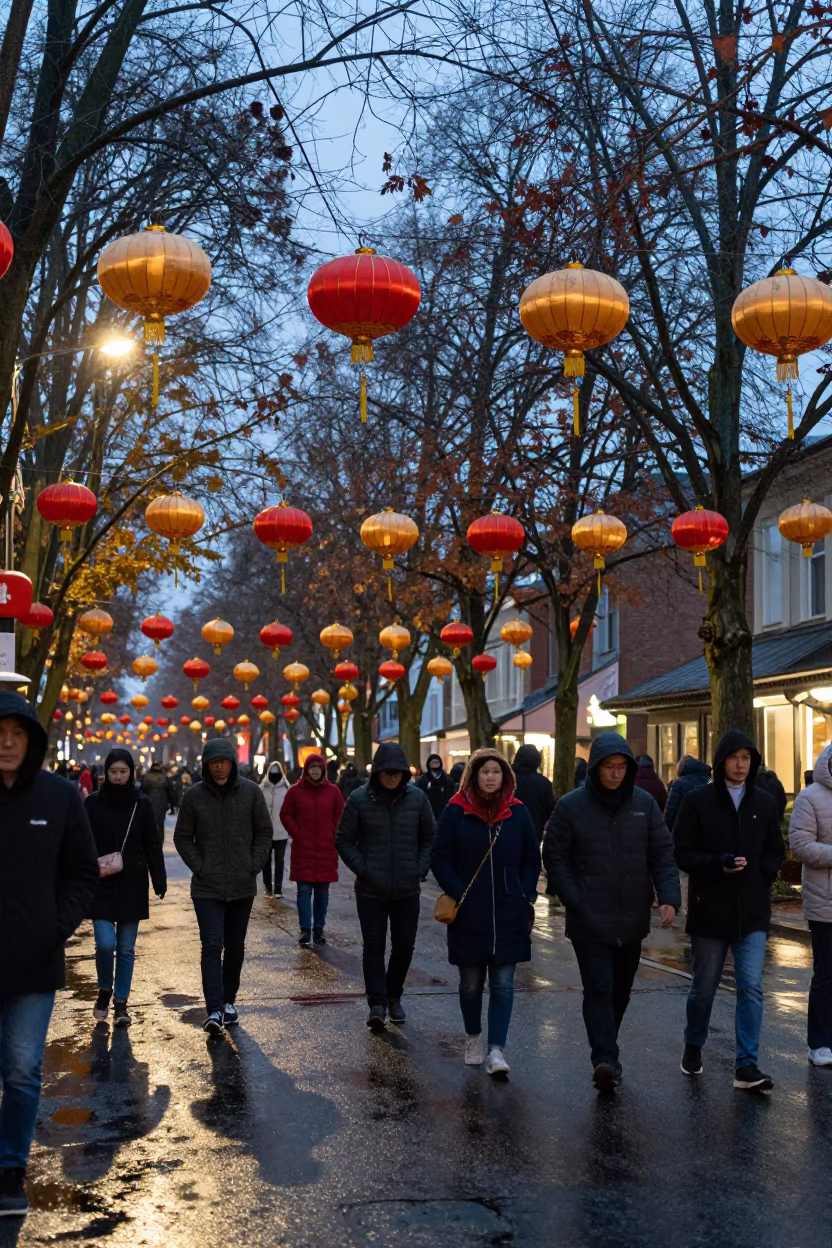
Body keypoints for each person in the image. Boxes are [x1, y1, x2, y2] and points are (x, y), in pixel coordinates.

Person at [0, 692, 99, 1217]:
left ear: (33, 740)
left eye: (17, 732)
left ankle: (10, 1169)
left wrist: (53, 927)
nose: (7, 742)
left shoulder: (60, 797)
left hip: (34, 963)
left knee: (20, 1070)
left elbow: (82, 873)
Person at [543, 731, 680, 1092]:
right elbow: (554, 855)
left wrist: (669, 897)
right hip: (589, 918)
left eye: (621, 767)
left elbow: (662, 854)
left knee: (620, 990)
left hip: (632, 916)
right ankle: (605, 1057)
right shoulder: (571, 806)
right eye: (609, 767)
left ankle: (608, 1049)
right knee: (599, 987)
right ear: (595, 769)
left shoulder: (644, 805)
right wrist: (574, 898)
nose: (616, 774)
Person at [673, 729, 783, 1091]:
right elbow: (682, 852)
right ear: (721, 761)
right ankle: (694, 1042)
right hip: (710, 909)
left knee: (751, 986)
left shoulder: (763, 802)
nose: (741, 765)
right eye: (735, 758)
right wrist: (716, 863)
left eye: (747, 758)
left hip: (751, 910)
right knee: (704, 988)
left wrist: (763, 877)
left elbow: (774, 849)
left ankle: (746, 1065)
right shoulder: (698, 801)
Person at [431, 749, 540, 1078]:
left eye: (497, 771)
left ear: (505, 776)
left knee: (504, 984)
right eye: (485, 771)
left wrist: (524, 892)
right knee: (470, 984)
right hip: (469, 911)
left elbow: (531, 858)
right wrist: (457, 889)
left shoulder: (517, 813)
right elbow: (440, 856)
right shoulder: (455, 811)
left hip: (509, 910)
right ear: (474, 775)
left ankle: (496, 1049)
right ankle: (474, 1037)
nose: (491, 776)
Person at [173, 738, 273, 1034]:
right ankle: (214, 1008)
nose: (219, 767)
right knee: (211, 945)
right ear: (206, 764)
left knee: (235, 946)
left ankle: (229, 1000)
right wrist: (201, 866)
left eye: (224, 761)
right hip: (207, 886)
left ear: (232, 762)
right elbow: (182, 837)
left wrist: (252, 865)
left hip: (242, 884)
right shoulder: (194, 796)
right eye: (214, 762)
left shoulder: (251, 793)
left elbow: (264, 832)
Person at [336, 743, 435, 1030]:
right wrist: (364, 869)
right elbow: (343, 839)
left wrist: (419, 868)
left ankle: (394, 995)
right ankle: (377, 1003)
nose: (392, 777)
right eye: (387, 772)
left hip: (407, 888)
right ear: (377, 772)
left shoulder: (417, 798)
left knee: (404, 946)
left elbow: (430, 836)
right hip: (371, 890)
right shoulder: (359, 799)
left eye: (397, 772)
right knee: (374, 946)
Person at [85, 749, 167, 1027]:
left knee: (127, 948)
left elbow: (152, 843)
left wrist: (159, 878)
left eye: (123, 771)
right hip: (101, 882)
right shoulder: (93, 804)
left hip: (132, 881)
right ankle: (104, 989)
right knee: (106, 944)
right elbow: (79, 841)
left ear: (131, 772)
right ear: (105, 773)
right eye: (113, 772)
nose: (118, 777)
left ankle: (121, 1002)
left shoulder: (141, 803)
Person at [788, 742, 832, 1066]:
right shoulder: (810, 797)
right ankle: (819, 1042)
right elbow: (800, 846)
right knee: (826, 973)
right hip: (825, 901)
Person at [280, 754, 344, 945]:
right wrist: (297, 833)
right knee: (304, 891)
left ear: (323, 770)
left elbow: (341, 813)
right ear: (306, 769)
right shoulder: (295, 791)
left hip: (326, 848)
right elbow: (286, 814)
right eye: (311, 767)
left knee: (322, 894)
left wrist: (333, 832)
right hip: (303, 849)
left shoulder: (333, 791)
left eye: (318, 767)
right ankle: (305, 929)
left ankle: (319, 929)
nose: (315, 770)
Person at [511, 744, 555, 841]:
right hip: (535, 829)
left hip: (509, 828)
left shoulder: (508, 779)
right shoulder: (544, 782)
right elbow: (551, 810)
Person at [260, 760, 289, 897]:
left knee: (280, 860)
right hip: (265, 832)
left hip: (281, 832)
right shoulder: (261, 789)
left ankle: (278, 888)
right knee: (265, 861)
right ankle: (267, 887)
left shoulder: (287, 789)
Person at [664, 755, 712, 831]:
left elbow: (670, 814)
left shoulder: (679, 784)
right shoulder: (710, 781)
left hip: (684, 831)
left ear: (682, 768)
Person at [416, 753, 456, 819]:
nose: (435, 765)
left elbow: (452, 796)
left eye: (437, 763)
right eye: (433, 763)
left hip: (445, 812)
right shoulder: (423, 780)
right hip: (427, 813)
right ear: (429, 764)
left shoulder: (447, 780)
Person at [141, 759, 171, 840]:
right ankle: (159, 843)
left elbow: (142, 789)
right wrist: (171, 803)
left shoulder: (146, 776)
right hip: (161, 804)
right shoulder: (164, 777)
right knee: (160, 825)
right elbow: (170, 791)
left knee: (147, 824)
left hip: (148, 804)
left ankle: (148, 842)